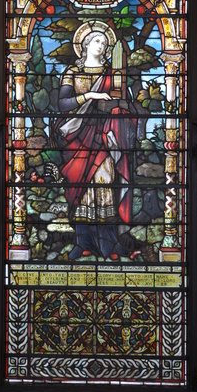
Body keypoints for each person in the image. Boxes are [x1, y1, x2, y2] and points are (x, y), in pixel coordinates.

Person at [54, 27, 136, 260]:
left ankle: (108, 244)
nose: (101, 46)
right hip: (76, 136)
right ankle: (83, 243)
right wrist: (90, 96)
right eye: (96, 41)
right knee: (79, 189)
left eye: (104, 43)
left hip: (105, 137)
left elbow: (125, 104)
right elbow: (63, 105)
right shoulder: (72, 72)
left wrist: (117, 110)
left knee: (104, 184)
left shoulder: (114, 74)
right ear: (85, 45)